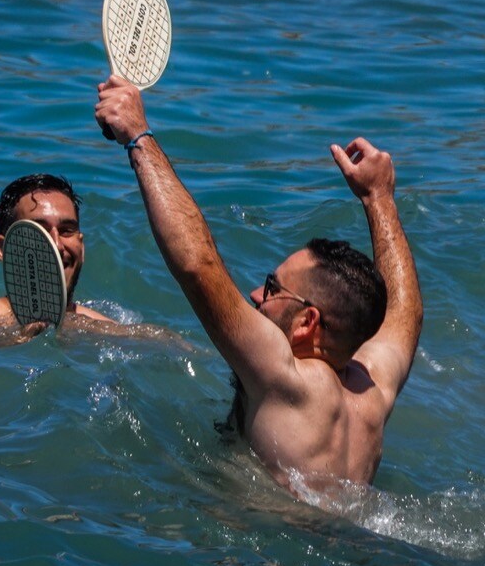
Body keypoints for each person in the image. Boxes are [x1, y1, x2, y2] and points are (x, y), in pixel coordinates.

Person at [94, 74, 423, 495]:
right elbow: (405, 315)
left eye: (272, 289)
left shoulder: (286, 378)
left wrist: (137, 136)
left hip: (266, 554)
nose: (254, 295)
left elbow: (199, 268)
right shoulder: (372, 391)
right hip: (347, 549)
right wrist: (379, 198)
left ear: (307, 322)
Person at [0, 173, 117, 343]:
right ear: (3, 249)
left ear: (82, 248)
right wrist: (8, 342)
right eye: (40, 232)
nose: (56, 246)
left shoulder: (109, 333)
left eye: (66, 231)